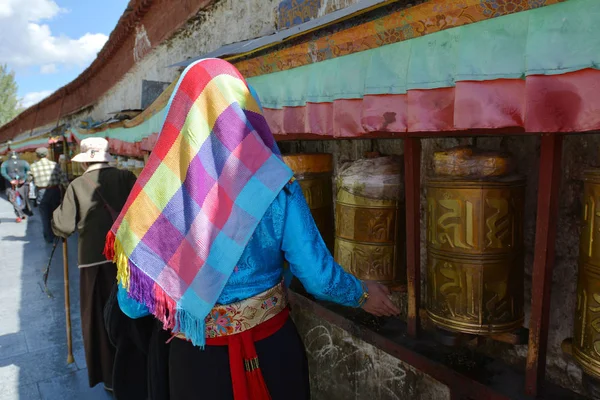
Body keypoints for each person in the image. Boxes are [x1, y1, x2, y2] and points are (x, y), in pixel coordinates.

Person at [108, 58, 400, 400]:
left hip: (197, 369)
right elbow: (319, 279)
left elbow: (131, 305)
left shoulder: (158, 200)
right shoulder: (276, 183)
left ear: (180, 117)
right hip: (272, 349)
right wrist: (362, 294)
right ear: (248, 109)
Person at [52, 137, 151, 396]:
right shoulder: (125, 176)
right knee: (131, 314)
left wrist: (54, 217)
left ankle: (110, 376)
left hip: (93, 263)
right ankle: (138, 370)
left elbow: (63, 226)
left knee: (98, 319)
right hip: (128, 259)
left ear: (85, 158)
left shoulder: (77, 185)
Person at [28, 147, 69, 243]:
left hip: (41, 192)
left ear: (37, 156)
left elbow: (29, 179)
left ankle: (49, 238)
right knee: (56, 213)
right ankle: (58, 234)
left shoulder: (33, 166)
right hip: (55, 191)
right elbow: (63, 179)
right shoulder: (54, 165)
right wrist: (69, 190)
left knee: (45, 216)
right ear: (47, 155)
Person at [1, 151, 32, 222]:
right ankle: (21, 213)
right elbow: (29, 171)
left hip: (11, 183)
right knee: (22, 198)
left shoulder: (5, 163)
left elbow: (3, 172)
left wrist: (10, 179)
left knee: (12, 198)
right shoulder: (24, 162)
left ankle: (20, 214)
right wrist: (24, 179)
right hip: (21, 183)